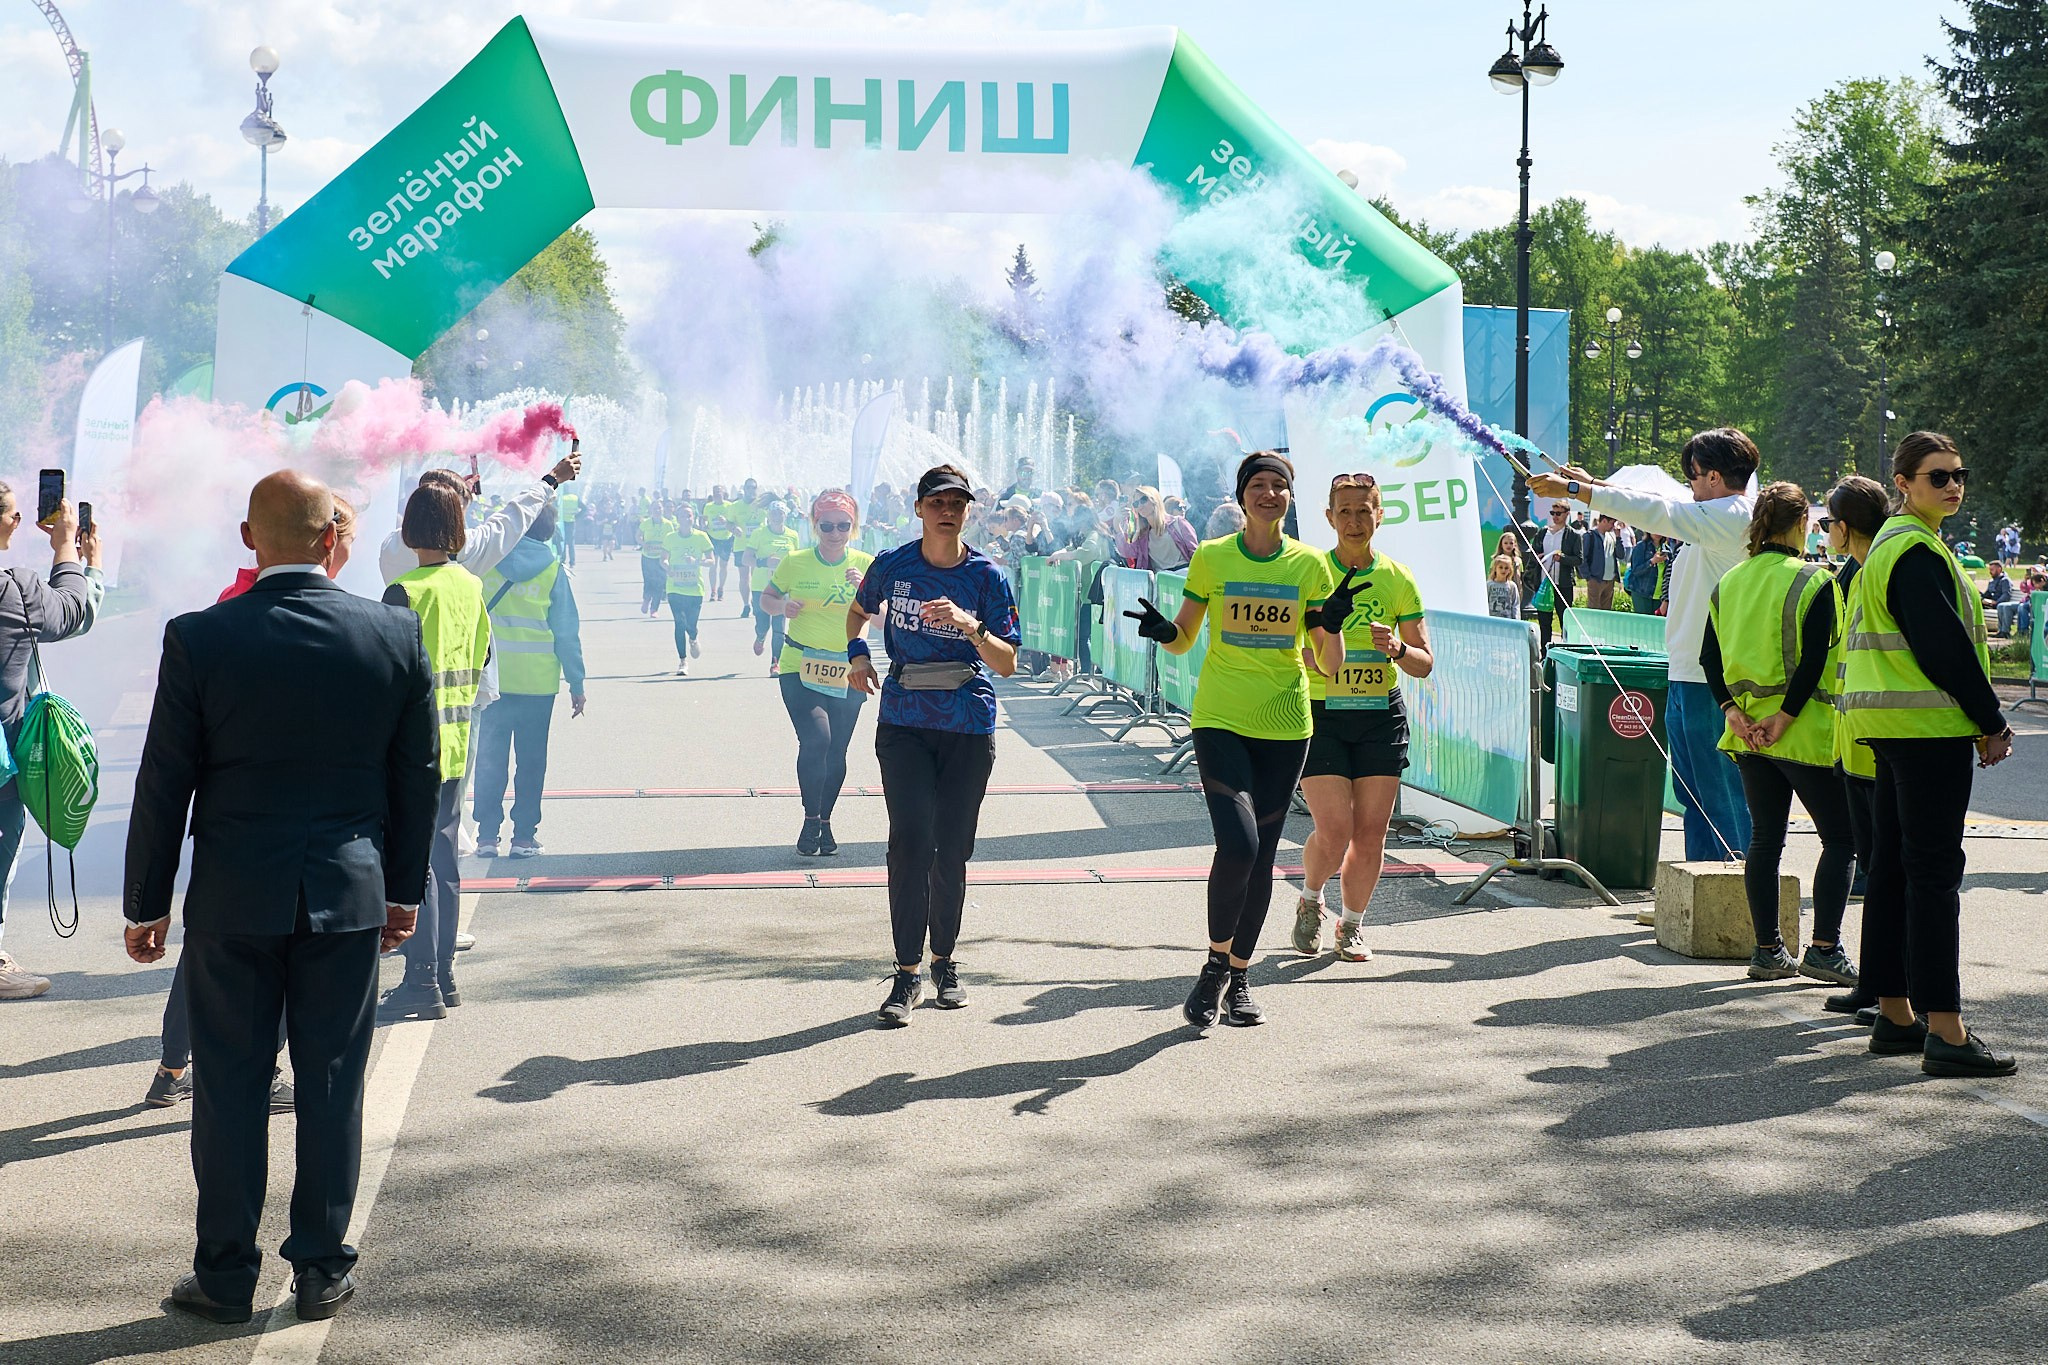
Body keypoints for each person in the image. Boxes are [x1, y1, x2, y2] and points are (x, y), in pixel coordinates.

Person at [122, 470, 437, 1325]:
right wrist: (404, 890)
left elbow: (164, 781)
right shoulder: (392, 635)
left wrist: (145, 902)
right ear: (335, 539)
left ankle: (225, 1275)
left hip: (233, 898)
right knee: (333, 1082)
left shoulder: (199, 637)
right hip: (348, 892)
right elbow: (418, 779)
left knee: (228, 1088)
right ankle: (322, 1268)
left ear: (248, 538)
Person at [148, 496, 358, 1105]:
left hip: (236, 834)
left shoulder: (230, 604)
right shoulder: (263, 613)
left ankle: (174, 1069)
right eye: (345, 538)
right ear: (326, 540)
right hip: (288, 835)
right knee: (272, 965)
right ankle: (237, 1069)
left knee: (209, 960)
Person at [1127, 452, 1344, 1029]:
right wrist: (1162, 631)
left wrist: (1334, 624)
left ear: (1290, 498)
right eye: (1259, 486)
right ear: (1242, 496)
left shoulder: (1311, 566)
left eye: (1279, 487)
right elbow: (1183, 637)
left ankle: (1238, 975)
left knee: (1265, 857)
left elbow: (1327, 663)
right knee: (1240, 846)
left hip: (1285, 724)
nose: (1269, 494)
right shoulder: (1214, 556)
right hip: (1220, 718)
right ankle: (1213, 962)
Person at [1841, 432, 2017, 1077]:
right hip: (1927, 729)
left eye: (1958, 475)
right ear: (1905, 482)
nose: (1952, 485)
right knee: (1935, 876)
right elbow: (1944, 648)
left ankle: (1895, 1014)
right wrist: (1991, 719)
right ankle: (1946, 1028)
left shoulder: (1894, 544)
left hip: (1890, 727)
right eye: (1937, 476)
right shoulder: (1915, 549)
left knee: (1892, 868)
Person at [847, 465, 1021, 1027]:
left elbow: (1008, 663)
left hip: (967, 722)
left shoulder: (988, 577)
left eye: (958, 502)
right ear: (919, 509)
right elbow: (857, 613)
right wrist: (856, 653)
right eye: (937, 502)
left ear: (970, 512)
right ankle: (906, 972)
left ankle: (945, 961)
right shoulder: (893, 566)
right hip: (903, 719)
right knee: (909, 844)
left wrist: (971, 625)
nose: (948, 510)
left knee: (952, 848)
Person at [1534, 430, 1759, 862]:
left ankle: (1739, 895)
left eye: (1692, 477)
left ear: (1713, 477)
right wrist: (1594, 485)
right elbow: (1658, 502)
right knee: (1694, 793)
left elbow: (1658, 510)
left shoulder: (1731, 515)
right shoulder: (1715, 512)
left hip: (1710, 679)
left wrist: (1581, 491)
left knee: (1719, 794)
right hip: (1688, 671)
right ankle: (1701, 893)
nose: (1688, 486)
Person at [1702, 482, 1859, 987]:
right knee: (1841, 838)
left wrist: (1733, 713)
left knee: (1765, 841)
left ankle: (1767, 950)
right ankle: (1824, 949)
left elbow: (1709, 658)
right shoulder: (1815, 581)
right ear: (1798, 525)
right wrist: (1786, 717)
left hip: (1748, 734)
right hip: (1802, 731)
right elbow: (1816, 657)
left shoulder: (1730, 581)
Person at [1291, 473, 1433, 963]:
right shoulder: (1310, 571)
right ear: (1329, 517)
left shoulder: (1398, 577)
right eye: (1344, 511)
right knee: (1335, 829)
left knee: (1371, 833)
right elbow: (1285, 642)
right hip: (1322, 711)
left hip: (1379, 715)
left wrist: (1397, 647)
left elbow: (1425, 661)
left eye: (1364, 510)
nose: (1354, 520)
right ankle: (1310, 898)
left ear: (1380, 514)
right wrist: (1305, 658)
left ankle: (1351, 925)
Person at [375, 485, 491, 1023]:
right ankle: (443, 972)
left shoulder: (404, 590)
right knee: (444, 858)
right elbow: (484, 652)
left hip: (412, 746)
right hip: (459, 738)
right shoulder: (470, 585)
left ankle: (420, 979)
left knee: (414, 860)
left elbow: (382, 673)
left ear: (409, 528)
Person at [0, 489, 98, 1002]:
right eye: (12, 510)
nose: (19, 517)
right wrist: (68, 549)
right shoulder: (11, 589)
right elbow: (73, 612)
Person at [1813, 474, 1891, 1016]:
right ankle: (1875, 986)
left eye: (1826, 523)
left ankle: (1888, 989)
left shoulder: (1879, 571)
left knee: (1886, 873)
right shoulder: (1850, 575)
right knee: (1875, 870)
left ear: (1843, 527)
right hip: (1853, 743)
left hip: (1883, 744)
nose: (1823, 532)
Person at [764, 491, 874, 856]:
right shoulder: (795, 562)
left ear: (853, 527)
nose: (835, 532)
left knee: (837, 750)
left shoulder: (867, 564)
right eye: (827, 525)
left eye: (843, 525)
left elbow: (885, 617)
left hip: (848, 668)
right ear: (815, 525)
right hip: (799, 664)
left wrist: (865, 590)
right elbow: (766, 599)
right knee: (817, 739)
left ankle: (825, 821)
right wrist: (782, 606)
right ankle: (810, 818)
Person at [474, 504, 586, 859]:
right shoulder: (554, 571)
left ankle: (486, 837)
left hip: (492, 680)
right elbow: (566, 632)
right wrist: (577, 683)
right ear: (550, 532)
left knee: (490, 758)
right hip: (537, 684)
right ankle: (523, 837)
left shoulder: (486, 564)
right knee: (532, 760)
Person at [377, 452, 578, 588]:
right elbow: (513, 517)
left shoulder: (390, 545)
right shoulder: (467, 550)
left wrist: (457, 495)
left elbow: (435, 511)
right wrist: (552, 479)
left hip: (405, 646)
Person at [741, 501, 804, 672]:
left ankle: (775, 663)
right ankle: (760, 636)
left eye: (780, 513)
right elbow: (745, 559)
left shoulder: (792, 535)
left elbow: (796, 561)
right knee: (763, 624)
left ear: (785, 516)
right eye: (774, 513)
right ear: (768, 516)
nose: (777, 516)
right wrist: (764, 562)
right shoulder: (759, 533)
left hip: (782, 589)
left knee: (779, 627)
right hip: (761, 587)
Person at [662, 502, 713, 674]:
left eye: (689, 515)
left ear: (693, 518)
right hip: (675, 587)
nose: (686, 518)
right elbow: (663, 559)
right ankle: (683, 661)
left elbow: (711, 560)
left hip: (694, 589)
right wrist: (667, 566)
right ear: (677, 518)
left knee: (690, 625)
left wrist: (697, 562)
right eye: (683, 515)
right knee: (679, 622)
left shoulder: (701, 537)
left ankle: (693, 637)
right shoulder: (670, 537)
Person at [1524, 500, 1582, 649]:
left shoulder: (1573, 535)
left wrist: (1562, 558)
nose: (1555, 516)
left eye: (1558, 513)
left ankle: (1565, 649)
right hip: (1544, 583)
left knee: (1565, 620)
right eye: (1552, 513)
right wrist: (1538, 556)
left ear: (1567, 514)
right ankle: (1545, 651)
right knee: (1544, 621)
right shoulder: (1543, 532)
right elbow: (1533, 554)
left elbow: (1578, 559)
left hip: (1563, 584)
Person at [1117, 484, 1198, 572]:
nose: (1140, 505)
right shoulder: (1142, 534)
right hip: (1161, 580)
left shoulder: (1178, 523)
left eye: (1143, 500)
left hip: (1184, 576)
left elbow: (1194, 553)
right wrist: (1120, 525)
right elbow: (1127, 552)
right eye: (1136, 503)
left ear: (1155, 500)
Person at [1582, 512, 1623, 611]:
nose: (1613, 526)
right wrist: (1588, 577)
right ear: (1604, 521)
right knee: (1594, 609)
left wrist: (1618, 538)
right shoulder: (1590, 536)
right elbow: (1583, 558)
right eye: (1611, 523)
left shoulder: (1612, 536)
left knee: (1606, 610)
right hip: (1595, 579)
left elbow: (1621, 555)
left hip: (1610, 580)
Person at [637, 500, 671, 617]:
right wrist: (643, 543)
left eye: (659, 508)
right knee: (649, 580)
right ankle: (646, 599)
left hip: (661, 558)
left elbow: (672, 539)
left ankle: (654, 609)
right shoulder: (646, 523)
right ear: (651, 510)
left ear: (663, 510)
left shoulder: (668, 524)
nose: (657, 511)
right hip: (647, 557)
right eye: (655, 508)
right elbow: (638, 536)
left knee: (660, 583)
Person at [1625, 530, 1665, 615]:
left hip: (1659, 595)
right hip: (1642, 593)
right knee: (1643, 625)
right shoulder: (1641, 547)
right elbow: (1635, 571)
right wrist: (1652, 561)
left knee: (1656, 625)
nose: (1657, 532)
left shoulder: (1666, 549)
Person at [1982, 561, 2018, 637]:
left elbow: (2006, 594)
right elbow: (1987, 594)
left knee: (2000, 606)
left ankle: (2004, 632)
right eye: (1989, 569)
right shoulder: (1991, 581)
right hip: (1990, 604)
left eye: (1992, 570)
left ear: (1999, 569)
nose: (1990, 572)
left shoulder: (2005, 580)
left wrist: (1996, 602)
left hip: (2000, 604)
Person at [1487, 554, 1522, 621]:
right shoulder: (1489, 585)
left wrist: (1516, 620)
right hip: (1491, 620)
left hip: (1507, 621)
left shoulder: (1512, 586)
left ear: (1510, 570)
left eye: (1506, 568)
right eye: (1500, 567)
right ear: (1495, 569)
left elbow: (1515, 604)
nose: (1503, 570)